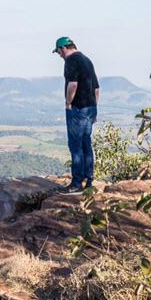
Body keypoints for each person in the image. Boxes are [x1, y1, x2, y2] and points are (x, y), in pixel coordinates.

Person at [53, 36, 99, 192]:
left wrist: (68, 103)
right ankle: (89, 180)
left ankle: (77, 183)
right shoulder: (87, 60)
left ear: (64, 48)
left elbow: (73, 84)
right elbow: (96, 88)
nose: (59, 55)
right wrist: (94, 107)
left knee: (75, 145)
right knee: (86, 143)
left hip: (77, 109)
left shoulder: (71, 61)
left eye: (58, 52)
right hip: (90, 108)